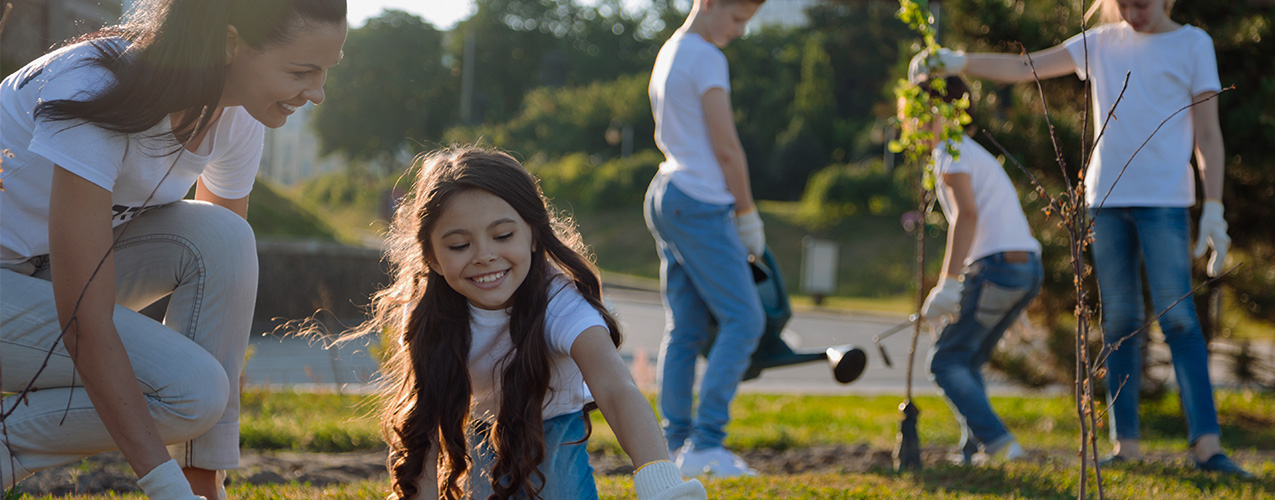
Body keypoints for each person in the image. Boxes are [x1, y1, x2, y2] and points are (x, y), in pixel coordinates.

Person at [0, 0, 347, 497]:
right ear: (230, 43)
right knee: (190, 391)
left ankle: (204, 480)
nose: (316, 93)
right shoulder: (98, 89)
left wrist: (197, 476)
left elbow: (219, 288)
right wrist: (164, 487)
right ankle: (9, 444)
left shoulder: (238, 116)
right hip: (26, 288)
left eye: (326, 71)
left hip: (45, 277)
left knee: (225, 238)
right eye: (301, 71)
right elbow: (85, 322)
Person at [911, 0, 1250, 477]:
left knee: (1179, 322)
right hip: (1105, 202)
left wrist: (1213, 207)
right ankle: (1125, 446)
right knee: (1121, 323)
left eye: (1143, 2)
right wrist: (960, 62)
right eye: (1124, 3)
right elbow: (1025, 68)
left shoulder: (1193, 44)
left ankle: (1208, 448)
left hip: (1165, 203)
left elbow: (1207, 135)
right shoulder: (1101, 42)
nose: (1133, 12)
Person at [364, 148, 706, 500]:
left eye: (502, 236)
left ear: (533, 235)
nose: (484, 255)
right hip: (482, 430)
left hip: (553, 432)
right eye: (460, 245)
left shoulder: (562, 303)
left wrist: (663, 486)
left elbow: (617, 390)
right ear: (433, 258)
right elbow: (424, 425)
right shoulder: (428, 313)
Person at [644, 0, 768, 478]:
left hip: (667, 191)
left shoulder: (669, 50)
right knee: (744, 319)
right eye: (737, 19)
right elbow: (726, 148)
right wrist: (747, 214)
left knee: (686, 327)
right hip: (700, 199)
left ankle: (676, 446)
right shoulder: (707, 56)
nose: (739, 31)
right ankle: (707, 443)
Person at [905, 76, 1044, 465]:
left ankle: (1001, 446)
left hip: (998, 268)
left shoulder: (951, 153)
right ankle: (974, 449)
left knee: (945, 361)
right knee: (966, 359)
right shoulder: (969, 151)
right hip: (1023, 267)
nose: (907, 125)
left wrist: (947, 285)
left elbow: (966, 215)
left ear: (936, 113)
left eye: (911, 115)